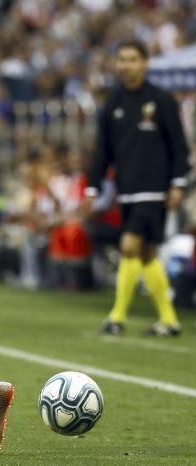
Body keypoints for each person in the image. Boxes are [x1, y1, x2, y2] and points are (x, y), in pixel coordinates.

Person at [86, 40, 190, 337]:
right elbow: (102, 150)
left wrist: (178, 183)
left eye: (132, 59)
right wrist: (93, 187)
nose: (126, 65)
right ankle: (169, 321)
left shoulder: (162, 101)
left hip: (155, 189)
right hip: (126, 189)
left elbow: (179, 147)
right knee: (146, 255)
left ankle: (116, 317)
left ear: (145, 63)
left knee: (129, 245)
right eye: (122, 59)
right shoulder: (113, 103)